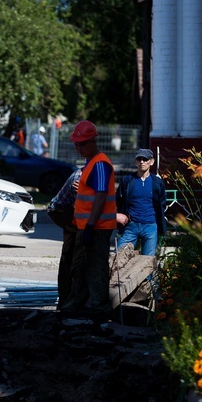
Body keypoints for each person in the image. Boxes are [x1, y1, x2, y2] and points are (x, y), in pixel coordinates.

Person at [60, 120, 116, 318]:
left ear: (92, 141)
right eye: (76, 144)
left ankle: (98, 307)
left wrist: (91, 225)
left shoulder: (100, 164)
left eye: (82, 144)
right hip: (87, 226)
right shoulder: (92, 163)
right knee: (80, 267)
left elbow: (100, 197)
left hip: (97, 228)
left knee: (96, 268)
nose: (78, 148)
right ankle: (76, 304)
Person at [116, 148, 167, 256]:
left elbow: (162, 202)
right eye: (139, 159)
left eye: (145, 159)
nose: (142, 162)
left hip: (150, 226)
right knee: (119, 258)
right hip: (131, 225)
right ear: (135, 162)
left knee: (147, 264)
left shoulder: (157, 182)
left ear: (151, 162)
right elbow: (119, 200)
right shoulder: (128, 180)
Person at [47, 167, 83, 310]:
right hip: (62, 212)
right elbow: (80, 208)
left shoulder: (96, 176)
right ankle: (65, 300)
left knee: (78, 255)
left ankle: (71, 298)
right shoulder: (78, 178)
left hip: (75, 213)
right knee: (69, 256)